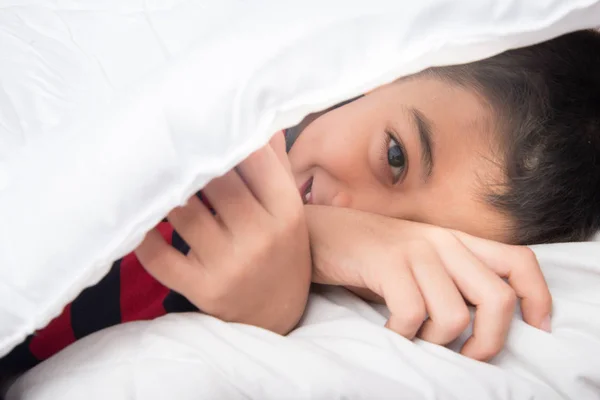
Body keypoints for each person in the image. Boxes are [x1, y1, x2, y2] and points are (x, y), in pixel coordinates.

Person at [2, 29, 599, 374]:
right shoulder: (219, 95)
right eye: (394, 156)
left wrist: (264, 314)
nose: (358, 216)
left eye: (425, 246)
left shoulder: (262, 304)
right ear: (395, 69)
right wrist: (324, 237)